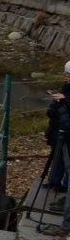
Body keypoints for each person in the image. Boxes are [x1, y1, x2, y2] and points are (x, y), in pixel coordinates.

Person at [45, 62, 70, 192]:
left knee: (67, 158)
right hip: (59, 129)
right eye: (66, 74)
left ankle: (66, 186)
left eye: (68, 74)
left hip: (67, 130)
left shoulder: (66, 91)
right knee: (57, 155)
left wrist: (65, 99)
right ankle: (55, 181)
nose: (66, 76)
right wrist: (53, 107)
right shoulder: (65, 87)